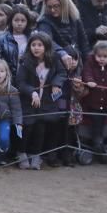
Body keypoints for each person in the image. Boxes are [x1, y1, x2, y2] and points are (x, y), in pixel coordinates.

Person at [15, 31, 67, 170]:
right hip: (29, 103)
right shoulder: (25, 61)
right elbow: (20, 82)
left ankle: (36, 155)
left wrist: (57, 83)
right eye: (33, 45)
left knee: (40, 130)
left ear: (47, 47)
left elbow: (62, 73)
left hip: (46, 103)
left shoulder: (54, 59)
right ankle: (21, 154)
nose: (36, 48)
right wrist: (32, 92)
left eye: (40, 45)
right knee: (26, 129)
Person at [36, 0, 89, 67]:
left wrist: (86, 63)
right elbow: (47, 41)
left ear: (64, 4)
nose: (52, 10)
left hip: (78, 62)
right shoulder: (44, 22)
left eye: (56, 6)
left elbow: (83, 44)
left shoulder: (75, 19)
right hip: (56, 63)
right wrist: (62, 53)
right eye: (49, 7)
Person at [0, 5, 34, 73]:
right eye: (16, 20)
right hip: (8, 76)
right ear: (11, 21)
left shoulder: (33, 37)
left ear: (27, 22)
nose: (19, 23)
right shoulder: (2, 39)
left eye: (23, 21)